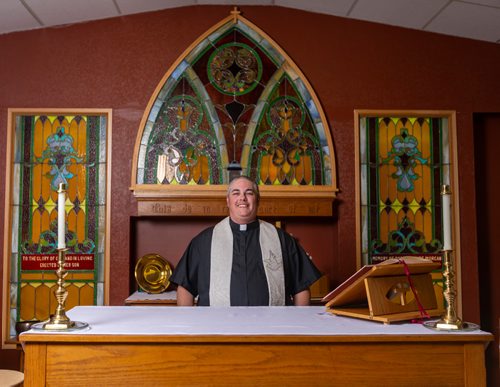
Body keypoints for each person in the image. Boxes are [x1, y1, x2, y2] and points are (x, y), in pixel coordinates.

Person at [170, 176, 322, 306]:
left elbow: (301, 287)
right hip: (217, 330)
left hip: (272, 330)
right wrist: (188, 326)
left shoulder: (282, 239)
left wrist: (300, 327)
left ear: (258, 200)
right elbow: (185, 288)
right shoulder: (203, 242)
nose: (242, 198)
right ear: (228, 201)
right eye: (236, 193)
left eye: (249, 193)